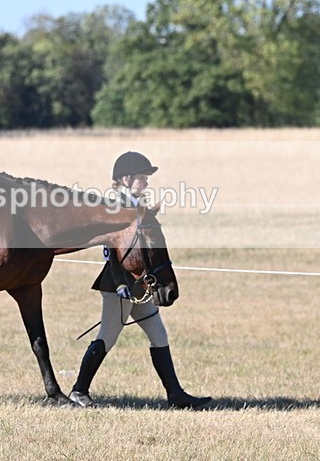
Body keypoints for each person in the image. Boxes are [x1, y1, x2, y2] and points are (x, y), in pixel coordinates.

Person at [68, 151, 212, 410]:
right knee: (107, 338)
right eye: (142, 179)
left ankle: (175, 395)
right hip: (119, 287)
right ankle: (79, 391)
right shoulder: (115, 208)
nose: (146, 183)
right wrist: (122, 284)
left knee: (159, 335)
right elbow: (111, 253)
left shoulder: (136, 207)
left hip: (140, 286)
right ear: (126, 178)